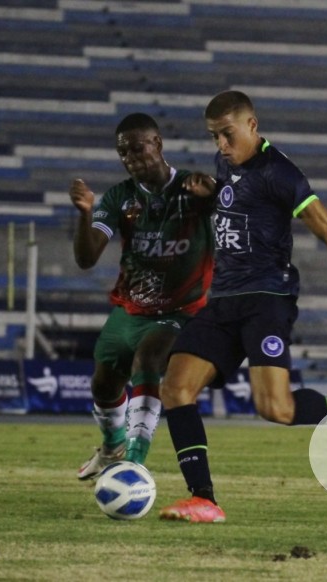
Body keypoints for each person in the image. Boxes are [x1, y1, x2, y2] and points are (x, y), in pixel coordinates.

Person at [157, 90, 327, 523]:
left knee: (276, 409)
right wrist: (208, 194)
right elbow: (236, 205)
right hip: (223, 299)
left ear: (252, 126)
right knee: (175, 389)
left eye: (227, 135)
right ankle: (204, 499)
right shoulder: (224, 164)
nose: (221, 147)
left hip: (267, 299)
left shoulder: (279, 172)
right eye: (214, 138)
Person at [71, 112, 215, 479]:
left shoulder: (193, 188)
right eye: (123, 153)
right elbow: (87, 259)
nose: (131, 159)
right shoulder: (121, 197)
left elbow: (231, 208)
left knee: (149, 359)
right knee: (103, 384)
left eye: (138, 149)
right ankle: (112, 446)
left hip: (180, 309)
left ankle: (133, 462)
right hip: (131, 308)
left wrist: (212, 197)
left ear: (158, 145)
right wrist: (85, 214)